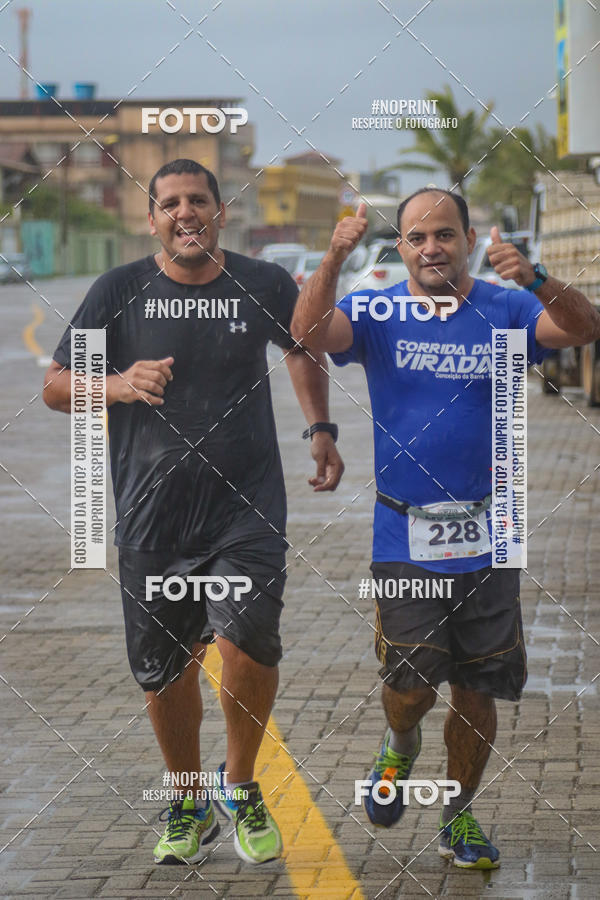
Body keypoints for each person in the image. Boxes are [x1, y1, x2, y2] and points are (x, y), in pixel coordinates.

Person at [43, 158, 344, 867]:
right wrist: (116, 384)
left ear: (220, 210)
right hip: (152, 515)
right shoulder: (118, 291)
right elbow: (57, 386)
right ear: (151, 219)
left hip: (246, 507)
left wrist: (320, 428)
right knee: (164, 672)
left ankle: (239, 785)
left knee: (247, 644)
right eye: (171, 202)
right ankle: (186, 797)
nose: (186, 212)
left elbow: (301, 344)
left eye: (198, 200)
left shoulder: (262, 282)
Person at [291, 187, 600, 869]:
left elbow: (583, 329)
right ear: (400, 247)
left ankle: (457, 816)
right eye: (418, 237)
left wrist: (539, 277)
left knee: (477, 688)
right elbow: (307, 336)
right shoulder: (377, 310)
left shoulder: (508, 306)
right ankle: (400, 746)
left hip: (495, 529)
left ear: (467, 238)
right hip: (405, 532)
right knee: (410, 687)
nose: (432, 248)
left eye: (445, 235)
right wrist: (334, 259)